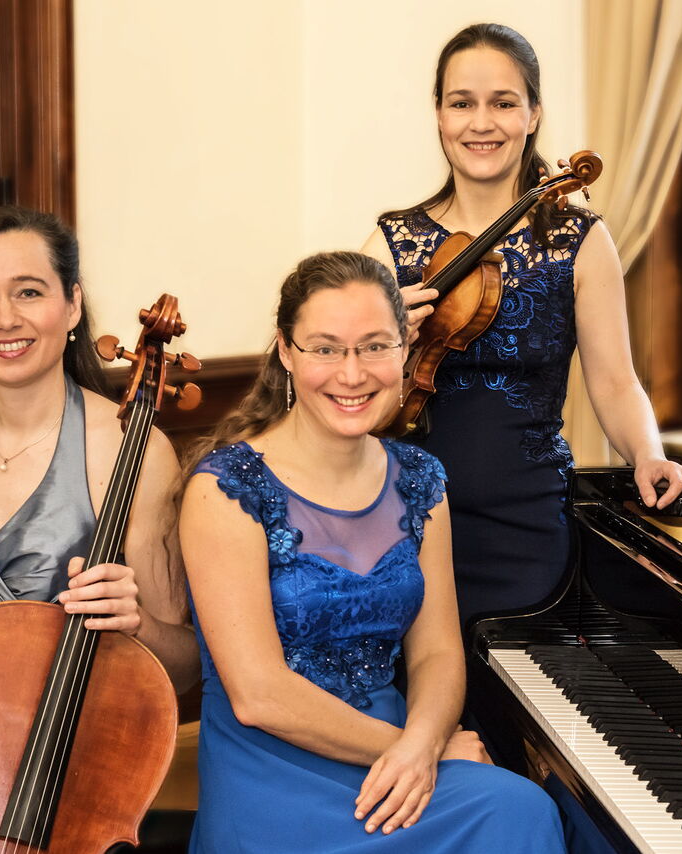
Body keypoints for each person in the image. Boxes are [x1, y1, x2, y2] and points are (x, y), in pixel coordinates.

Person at [180, 251, 567, 853]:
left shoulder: (420, 477)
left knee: (520, 812)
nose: (353, 373)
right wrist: (415, 748)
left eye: (375, 346)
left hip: (398, 753)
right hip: (271, 771)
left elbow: (438, 653)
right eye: (326, 348)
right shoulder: (226, 486)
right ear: (286, 351)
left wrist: (422, 742)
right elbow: (258, 695)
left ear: (405, 352)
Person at [361, 22, 682, 627]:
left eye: (503, 103)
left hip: (523, 525)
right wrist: (389, 347)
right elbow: (346, 392)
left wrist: (647, 454)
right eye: (462, 104)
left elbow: (614, 382)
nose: (482, 123)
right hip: (401, 519)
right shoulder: (390, 244)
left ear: (533, 115)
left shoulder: (577, 240)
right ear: (440, 115)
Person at [0, 206, 197, 692]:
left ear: (72, 304)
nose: (5, 318)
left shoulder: (133, 448)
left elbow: (186, 669)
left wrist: (138, 624)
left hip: (87, 745)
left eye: (28, 292)